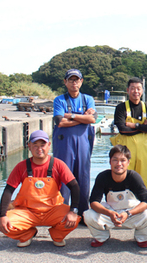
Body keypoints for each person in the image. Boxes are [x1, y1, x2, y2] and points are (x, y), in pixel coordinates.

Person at [0, 130, 80, 247]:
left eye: (42, 145)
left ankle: (57, 235)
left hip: (52, 210)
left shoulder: (58, 164)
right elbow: (8, 190)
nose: (39, 149)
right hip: (27, 211)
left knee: (74, 219)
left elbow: (75, 187)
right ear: (29, 146)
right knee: (4, 224)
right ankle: (27, 234)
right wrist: (2, 216)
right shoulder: (21, 166)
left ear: (49, 145)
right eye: (35, 145)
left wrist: (73, 211)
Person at [83, 145, 147, 248]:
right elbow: (93, 202)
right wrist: (109, 213)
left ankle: (141, 237)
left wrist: (128, 213)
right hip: (111, 212)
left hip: (130, 213)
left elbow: (146, 202)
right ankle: (101, 236)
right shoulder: (103, 177)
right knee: (88, 215)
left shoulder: (134, 177)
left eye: (123, 160)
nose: (119, 164)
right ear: (110, 162)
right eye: (115, 160)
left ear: (128, 162)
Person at [53, 69, 96, 217]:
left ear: (81, 81)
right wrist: (81, 118)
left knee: (83, 177)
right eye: (71, 80)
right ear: (65, 82)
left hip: (84, 143)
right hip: (64, 144)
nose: (74, 82)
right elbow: (59, 122)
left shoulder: (88, 99)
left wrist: (70, 116)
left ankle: (83, 212)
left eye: (77, 79)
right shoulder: (59, 100)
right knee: (63, 177)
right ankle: (62, 212)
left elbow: (92, 119)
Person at [111, 77, 147, 193]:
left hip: (144, 151)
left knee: (144, 178)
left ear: (142, 91)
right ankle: (122, 203)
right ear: (127, 90)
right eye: (132, 88)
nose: (136, 91)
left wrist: (134, 125)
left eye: (138, 88)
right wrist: (143, 127)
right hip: (125, 150)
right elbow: (122, 129)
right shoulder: (121, 108)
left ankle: (144, 204)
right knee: (123, 176)